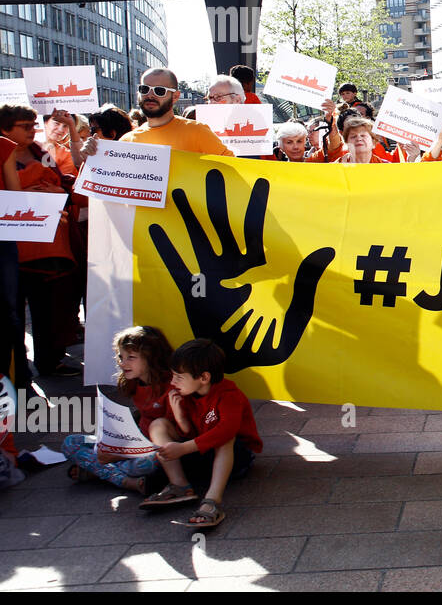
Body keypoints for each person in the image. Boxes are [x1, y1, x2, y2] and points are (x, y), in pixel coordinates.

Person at [139, 339, 262, 528]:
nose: (172, 382)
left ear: (204, 378)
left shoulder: (229, 395)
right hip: (195, 452)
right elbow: (185, 432)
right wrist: (180, 418)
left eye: (179, 377)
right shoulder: (181, 393)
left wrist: (183, 448)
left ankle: (212, 501)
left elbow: (226, 430)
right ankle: (179, 485)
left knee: (224, 438)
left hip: (235, 457)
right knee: (158, 424)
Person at [0, 104, 79, 382]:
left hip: (45, 244)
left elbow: (58, 183)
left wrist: (47, 188)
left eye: (35, 125)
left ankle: (49, 361)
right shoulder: (4, 152)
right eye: (25, 126)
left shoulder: (42, 153)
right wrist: (34, 185)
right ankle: (17, 372)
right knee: (11, 316)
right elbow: (13, 196)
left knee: (48, 308)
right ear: (5, 128)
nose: (34, 130)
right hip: (10, 248)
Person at [62, 326, 172, 493]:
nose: (123, 363)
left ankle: (119, 479)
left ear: (151, 357)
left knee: (147, 464)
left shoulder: (171, 386)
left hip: (155, 450)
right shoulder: (136, 382)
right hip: (132, 444)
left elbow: (171, 440)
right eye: (121, 357)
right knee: (70, 443)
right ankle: (109, 471)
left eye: (131, 357)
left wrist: (117, 455)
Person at [119, 68, 231, 155]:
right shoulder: (127, 141)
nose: (150, 95)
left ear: (175, 96)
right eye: (145, 89)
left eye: (159, 91)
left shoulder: (197, 132)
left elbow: (234, 169)